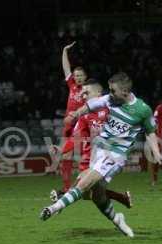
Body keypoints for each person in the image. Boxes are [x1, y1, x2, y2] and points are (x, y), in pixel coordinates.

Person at [40, 72, 162, 238]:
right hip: (98, 149)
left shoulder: (143, 110)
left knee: (84, 182)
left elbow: (150, 132)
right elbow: (91, 105)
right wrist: (76, 113)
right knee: (96, 195)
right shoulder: (110, 99)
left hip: (115, 154)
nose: (109, 92)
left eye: (112, 90)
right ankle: (117, 219)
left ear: (124, 92)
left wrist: (157, 153)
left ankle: (53, 209)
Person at [51, 79, 132, 209]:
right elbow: (76, 138)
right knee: (87, 194)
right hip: (89, 158)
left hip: (107, 157)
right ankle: (122, 198)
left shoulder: (112, 110)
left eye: (86, 93)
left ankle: (60, 200)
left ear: (98, 93)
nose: (83, 96)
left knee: (83, 187)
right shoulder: (85, 116)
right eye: (82, 93)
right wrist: (62, 150)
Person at [60, 42, 87, 194]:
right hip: (69, 125)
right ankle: (66, 187)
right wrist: (64, 51)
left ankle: (83, 185)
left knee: (84, 156)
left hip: (82, 126)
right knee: (66, 155)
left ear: (85, 77)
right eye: (76, 75)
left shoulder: (89, 90)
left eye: (80, 75)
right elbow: (66, 68)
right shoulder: (71, 85)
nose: (77, 78)